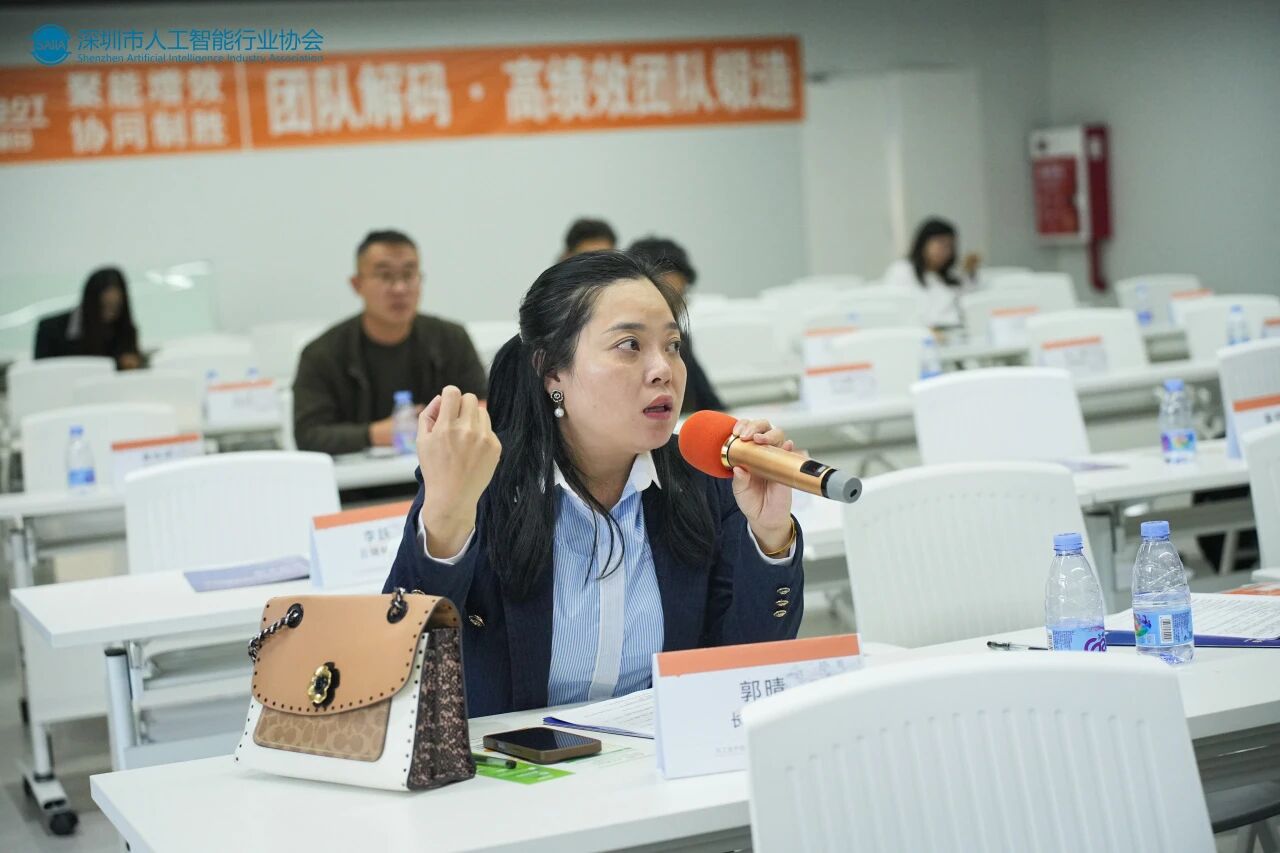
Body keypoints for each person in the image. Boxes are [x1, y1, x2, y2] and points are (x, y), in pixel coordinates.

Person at [384, 251, 804, 717]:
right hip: (511, 757)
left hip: (658, 748)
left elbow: (748, 665)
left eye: (672, 345)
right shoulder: (480, 479)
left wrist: (770, 535)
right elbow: (398, 664)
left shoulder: (705, 479)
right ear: (553, 372)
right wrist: (445, 518)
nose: (663, 369)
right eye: (630, 345)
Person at [292, 230, 487, 455]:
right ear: (357, 284)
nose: (399, 289)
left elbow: (483, 407)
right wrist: (377, 434)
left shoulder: (451, 339)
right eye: (385, 276)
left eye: (409, 275)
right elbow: (308, 435)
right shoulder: (322, 354)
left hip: (445, 466)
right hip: (357, 476)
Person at [627, 236, 724, 413]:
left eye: (680, 298)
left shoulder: (679, 341)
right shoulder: (623, 348)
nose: (673, 310)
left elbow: (712, 405)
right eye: (667, 299)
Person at [34, 267, 143, 369]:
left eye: (116, 306)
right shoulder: (50, 330)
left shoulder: (124, 331)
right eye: (105, 306)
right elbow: (41, 374)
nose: (110, 313)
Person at [881, 217, 981, 328]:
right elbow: (896, 311)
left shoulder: (951, 275)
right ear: (923, 243)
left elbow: (970, 301)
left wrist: (970, 272)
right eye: (940, 243)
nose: (945, 251)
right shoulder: (902, 270)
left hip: (953, 330)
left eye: (950, 246)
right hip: (918, 333)